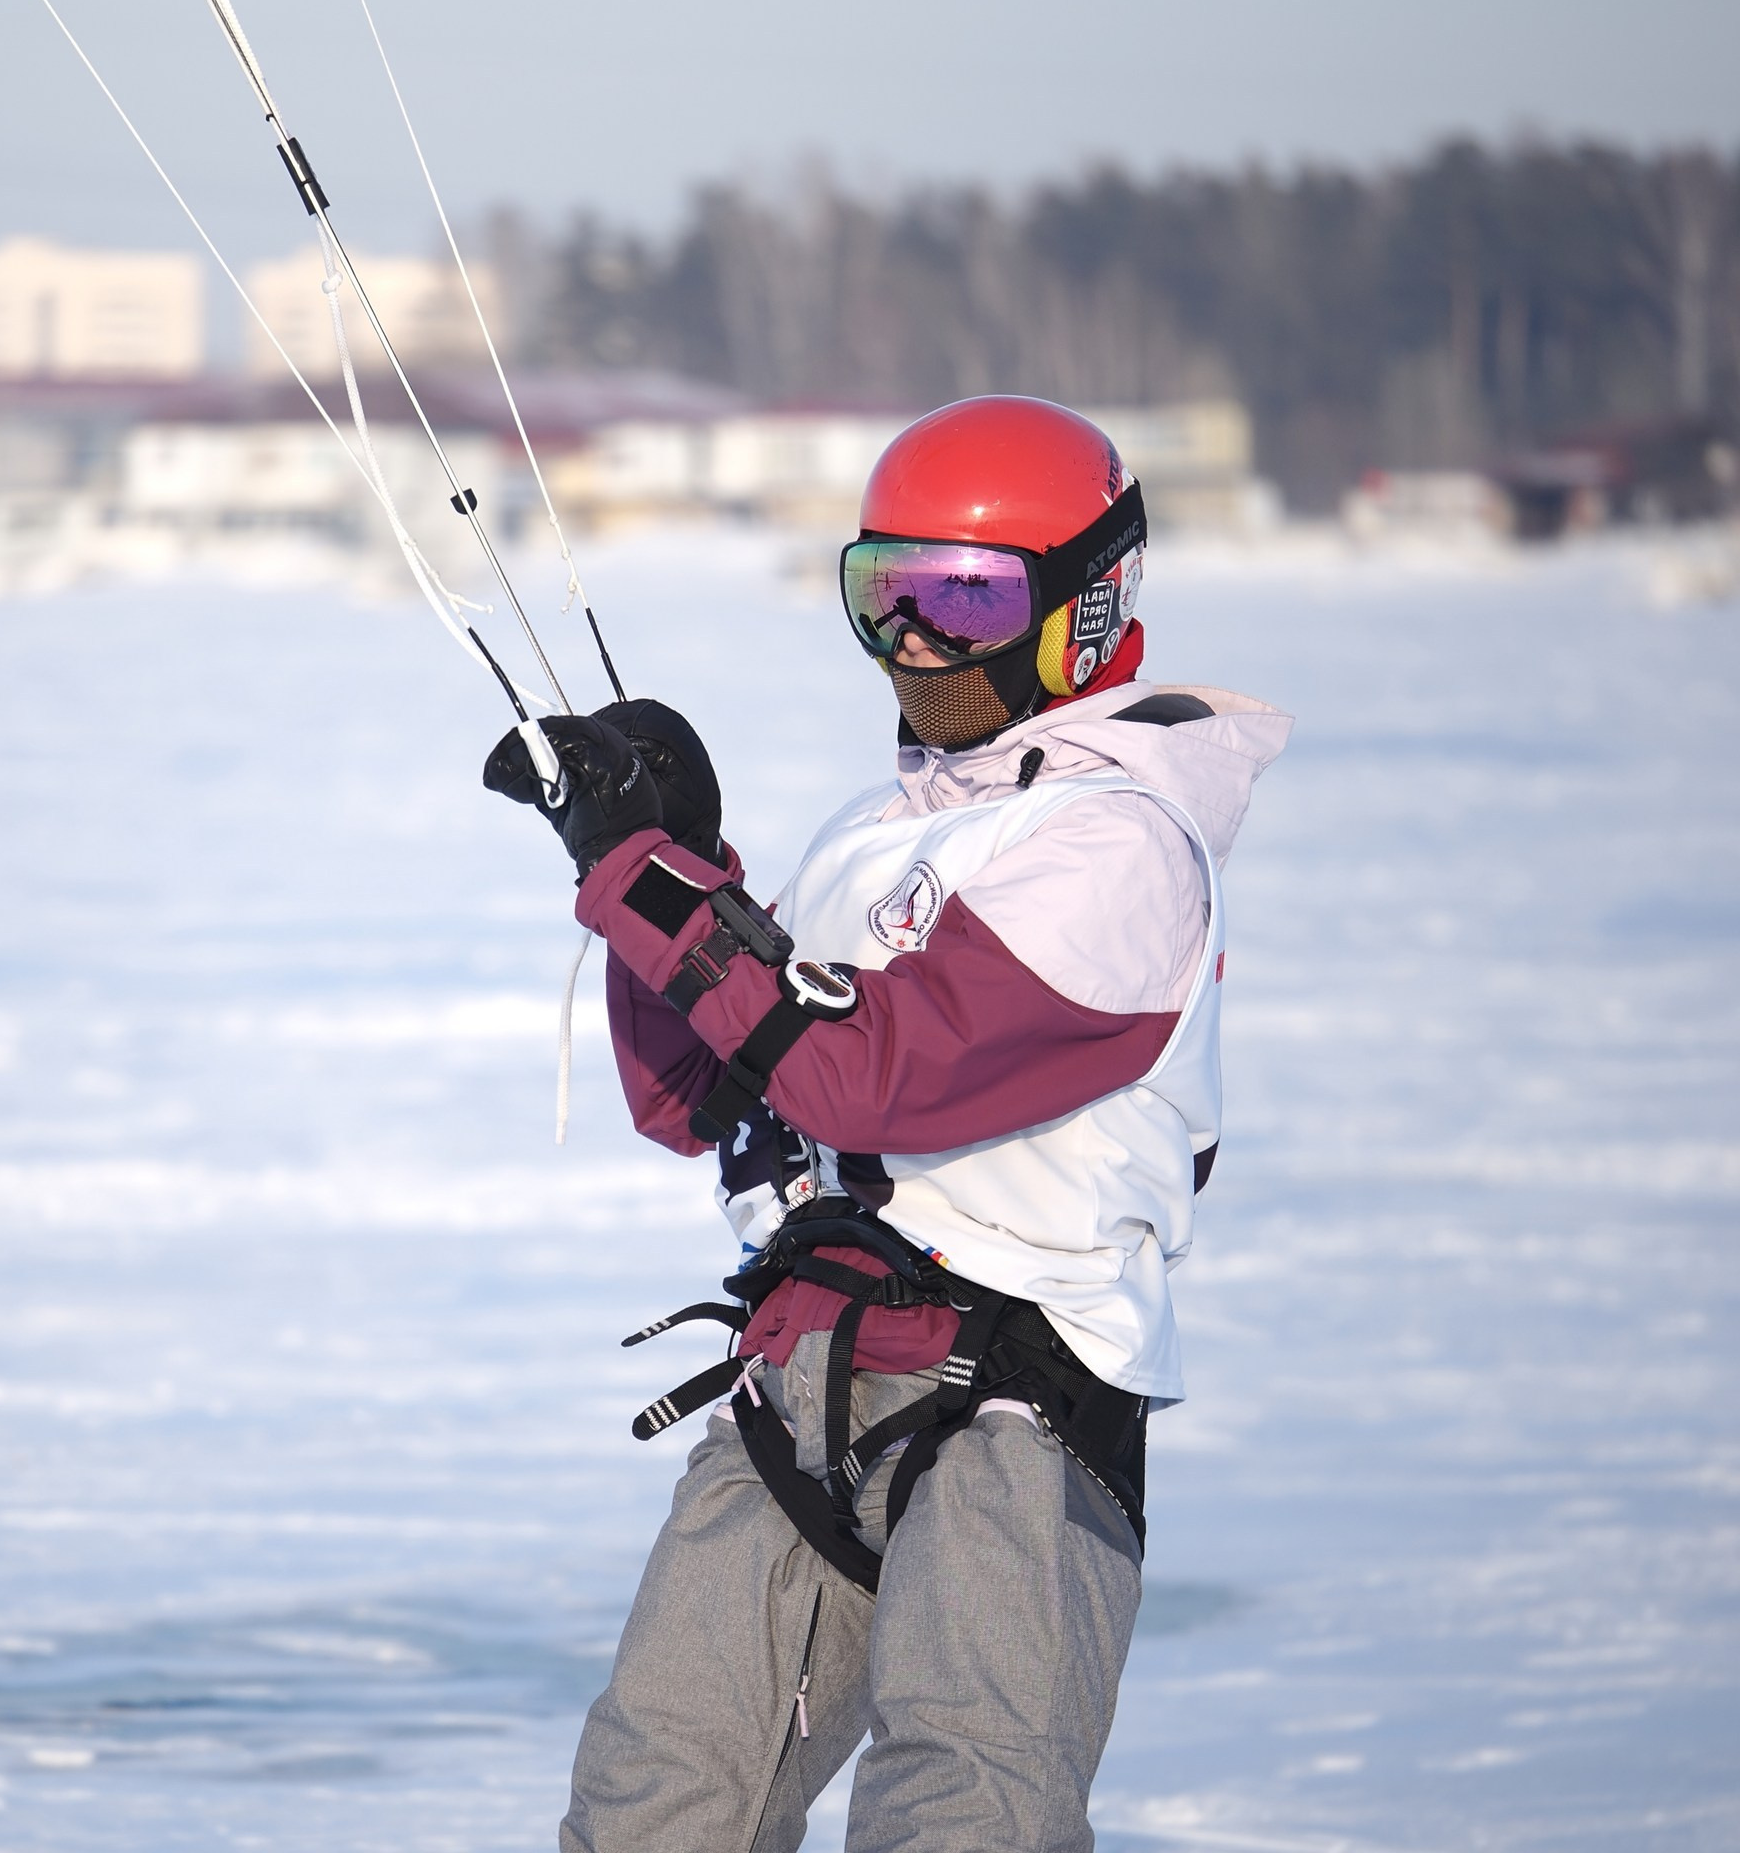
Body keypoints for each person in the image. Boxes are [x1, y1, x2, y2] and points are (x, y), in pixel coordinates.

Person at [484, 395, 1291, 1853]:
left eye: (961, 597)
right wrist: (672, 858)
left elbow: (877, 1074)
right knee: (648, 1813)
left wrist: (667, 899)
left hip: (1018, 1411)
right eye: (883, 591)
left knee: (958, 1822)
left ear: (1083, 606)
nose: (914, 638)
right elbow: (703, 1098)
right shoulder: (881, 827)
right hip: (800, 1390)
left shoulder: (1124, 842)